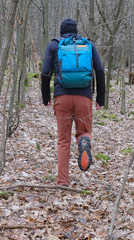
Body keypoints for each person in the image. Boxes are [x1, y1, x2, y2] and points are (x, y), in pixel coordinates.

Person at [41, 18, 105, 187]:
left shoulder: (54, 45)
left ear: (61, 31)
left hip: (62, 98)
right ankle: (84, 143)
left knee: (63, 140)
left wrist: (45, 96)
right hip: (84, 97)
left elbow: (45, 73)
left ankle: (62, 181)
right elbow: (99, 71)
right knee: (84, 131)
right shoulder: (88, 45)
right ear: (76, 31)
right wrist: (100, 98)